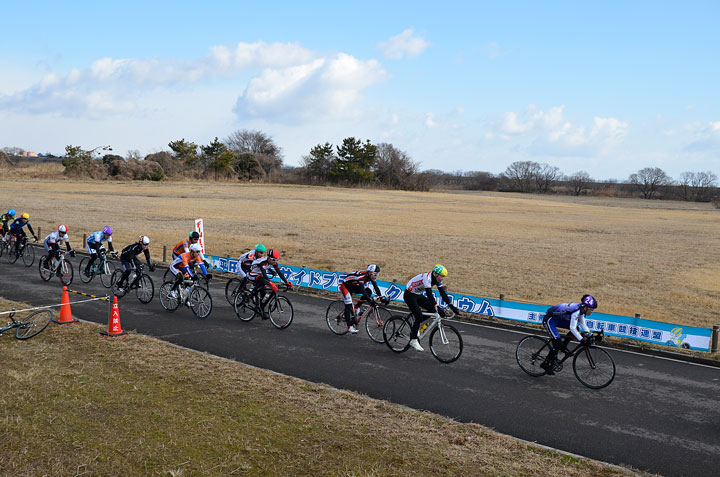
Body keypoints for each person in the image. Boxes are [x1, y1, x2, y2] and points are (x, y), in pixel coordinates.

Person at [403, 264, 460, 351]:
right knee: (419, 315)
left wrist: (452, 306)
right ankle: (413, 340)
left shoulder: (437, 279)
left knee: (432, 311)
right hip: (409, 295)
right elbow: (429, 295)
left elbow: (443, 293)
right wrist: (436, 305)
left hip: (418, 295)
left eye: (444, 277)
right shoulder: (427, 278)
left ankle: (415, 325)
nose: (442, 279)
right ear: (436, 274)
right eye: (442, 276)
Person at [540, 294, 598, 375]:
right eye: (591, 309)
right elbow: (572, 328)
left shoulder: (581, 310)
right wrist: (581, 339)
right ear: (585, 308)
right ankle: (545, 363)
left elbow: (582, 324)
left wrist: (590, 335)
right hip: (550, 320)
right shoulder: (576, 311)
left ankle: (563, 347)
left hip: (559, 319)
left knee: (576, 330)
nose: (592, 311)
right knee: (557, 342)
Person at [339, 264, 386, 334]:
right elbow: (362, 290)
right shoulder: (361, 277)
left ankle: (356, 306)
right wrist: (369, 301)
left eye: (377, 274)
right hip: (345, 286)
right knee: (348, 305)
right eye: (375, 274)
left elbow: (376, 288)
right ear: (370, 273)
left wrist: (381, 297)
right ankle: (349, 327)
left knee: (369, 291)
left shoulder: (371, 276)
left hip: (353, 286)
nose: (376, 276)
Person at [247, 249, 292, 319]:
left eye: (276, 260)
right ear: (268, 258)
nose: (275, 262)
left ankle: (260, 309)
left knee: (264, 294)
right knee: (263, 281)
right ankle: (251, 294)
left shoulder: (273, 262)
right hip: (252, 274)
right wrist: (271, 283)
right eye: (273, 259)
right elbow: (264, 275)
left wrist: (286, 282)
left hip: (259, 275)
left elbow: (279, 273)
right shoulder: (262, 262)